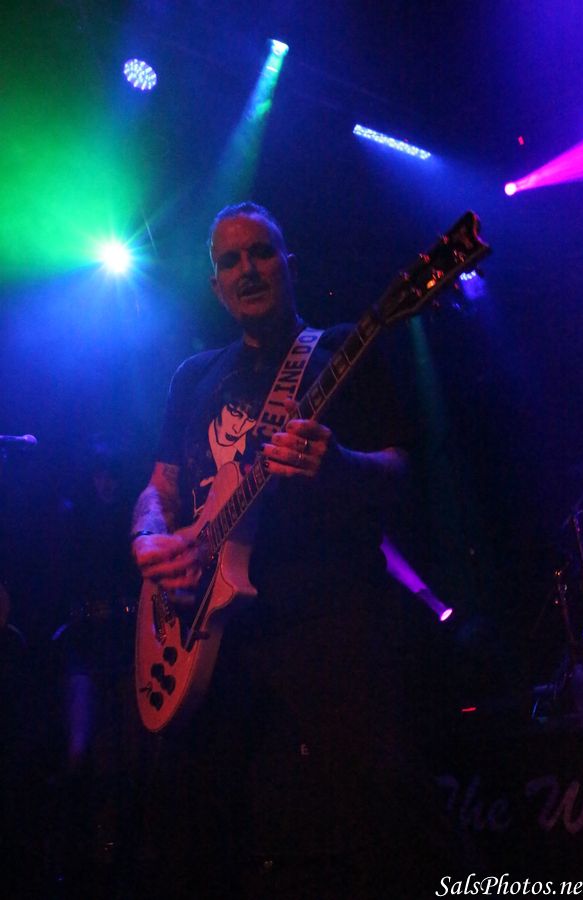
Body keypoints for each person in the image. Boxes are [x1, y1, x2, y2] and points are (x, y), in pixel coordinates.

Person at [131, 202, 447, 899]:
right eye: (230, 260)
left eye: (261, 252)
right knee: (209, 839)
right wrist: (149, 536)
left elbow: (403, 472)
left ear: (289, 264)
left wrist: (340, 465)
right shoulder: (193, 377)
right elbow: (160, 486)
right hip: (214, 642)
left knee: (379, 825)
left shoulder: (342, 351)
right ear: (215, 284)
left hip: (332, 623)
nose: (247, 269)